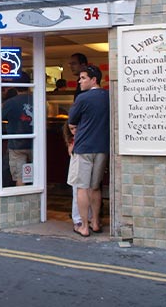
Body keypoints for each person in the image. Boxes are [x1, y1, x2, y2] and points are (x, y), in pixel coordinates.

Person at [67, 64, 110, 237]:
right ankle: (96, 222)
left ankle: (84, 226)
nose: (79, 81)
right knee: (95, 188)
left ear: (94, 80)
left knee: (82, 188)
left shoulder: (83, 98)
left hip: (84, 148)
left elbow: (71, 121)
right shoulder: (108, 96)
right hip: (102, 148)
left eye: (83, 78)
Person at [1, 72, 34, 186]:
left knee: (20, 177)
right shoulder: (37, 100)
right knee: (36, 176)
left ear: (15, 86)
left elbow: (0, 117)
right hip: (35, 143)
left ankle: (22, 202)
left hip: (16, 144)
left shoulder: (10, 102)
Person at [67, 52, 88, 230]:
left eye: (73, 64)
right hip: (88, 140)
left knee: (79, 183)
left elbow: (73, 118)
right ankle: (89, 219)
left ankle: (80, 220)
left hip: (82, 140)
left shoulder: (83, 92)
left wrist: (73, 135)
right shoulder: (80, 88)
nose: (71, 67)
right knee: (88, 184)